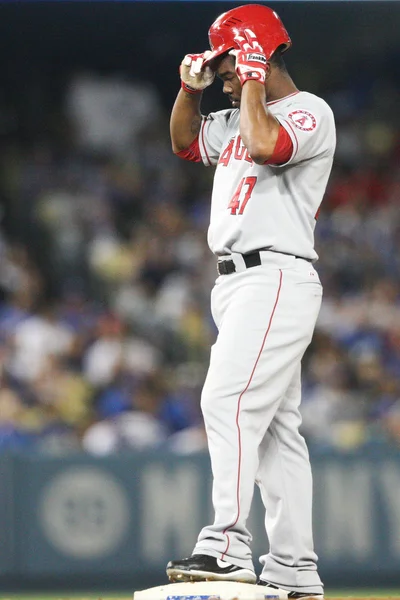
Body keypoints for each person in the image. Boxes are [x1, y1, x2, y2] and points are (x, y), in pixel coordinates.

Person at [166, 5, 336, 599]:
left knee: (226, 396)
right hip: (236, 283)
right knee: (274, 431)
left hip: (276, 276)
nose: (227, 75)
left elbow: (265, 144)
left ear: (258, 52)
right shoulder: (240, 110)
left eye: (230, 61)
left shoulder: (308, 111)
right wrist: (190, 91)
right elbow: (186, 143)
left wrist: (255, 75)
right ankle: (294, 570)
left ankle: (227, 543)